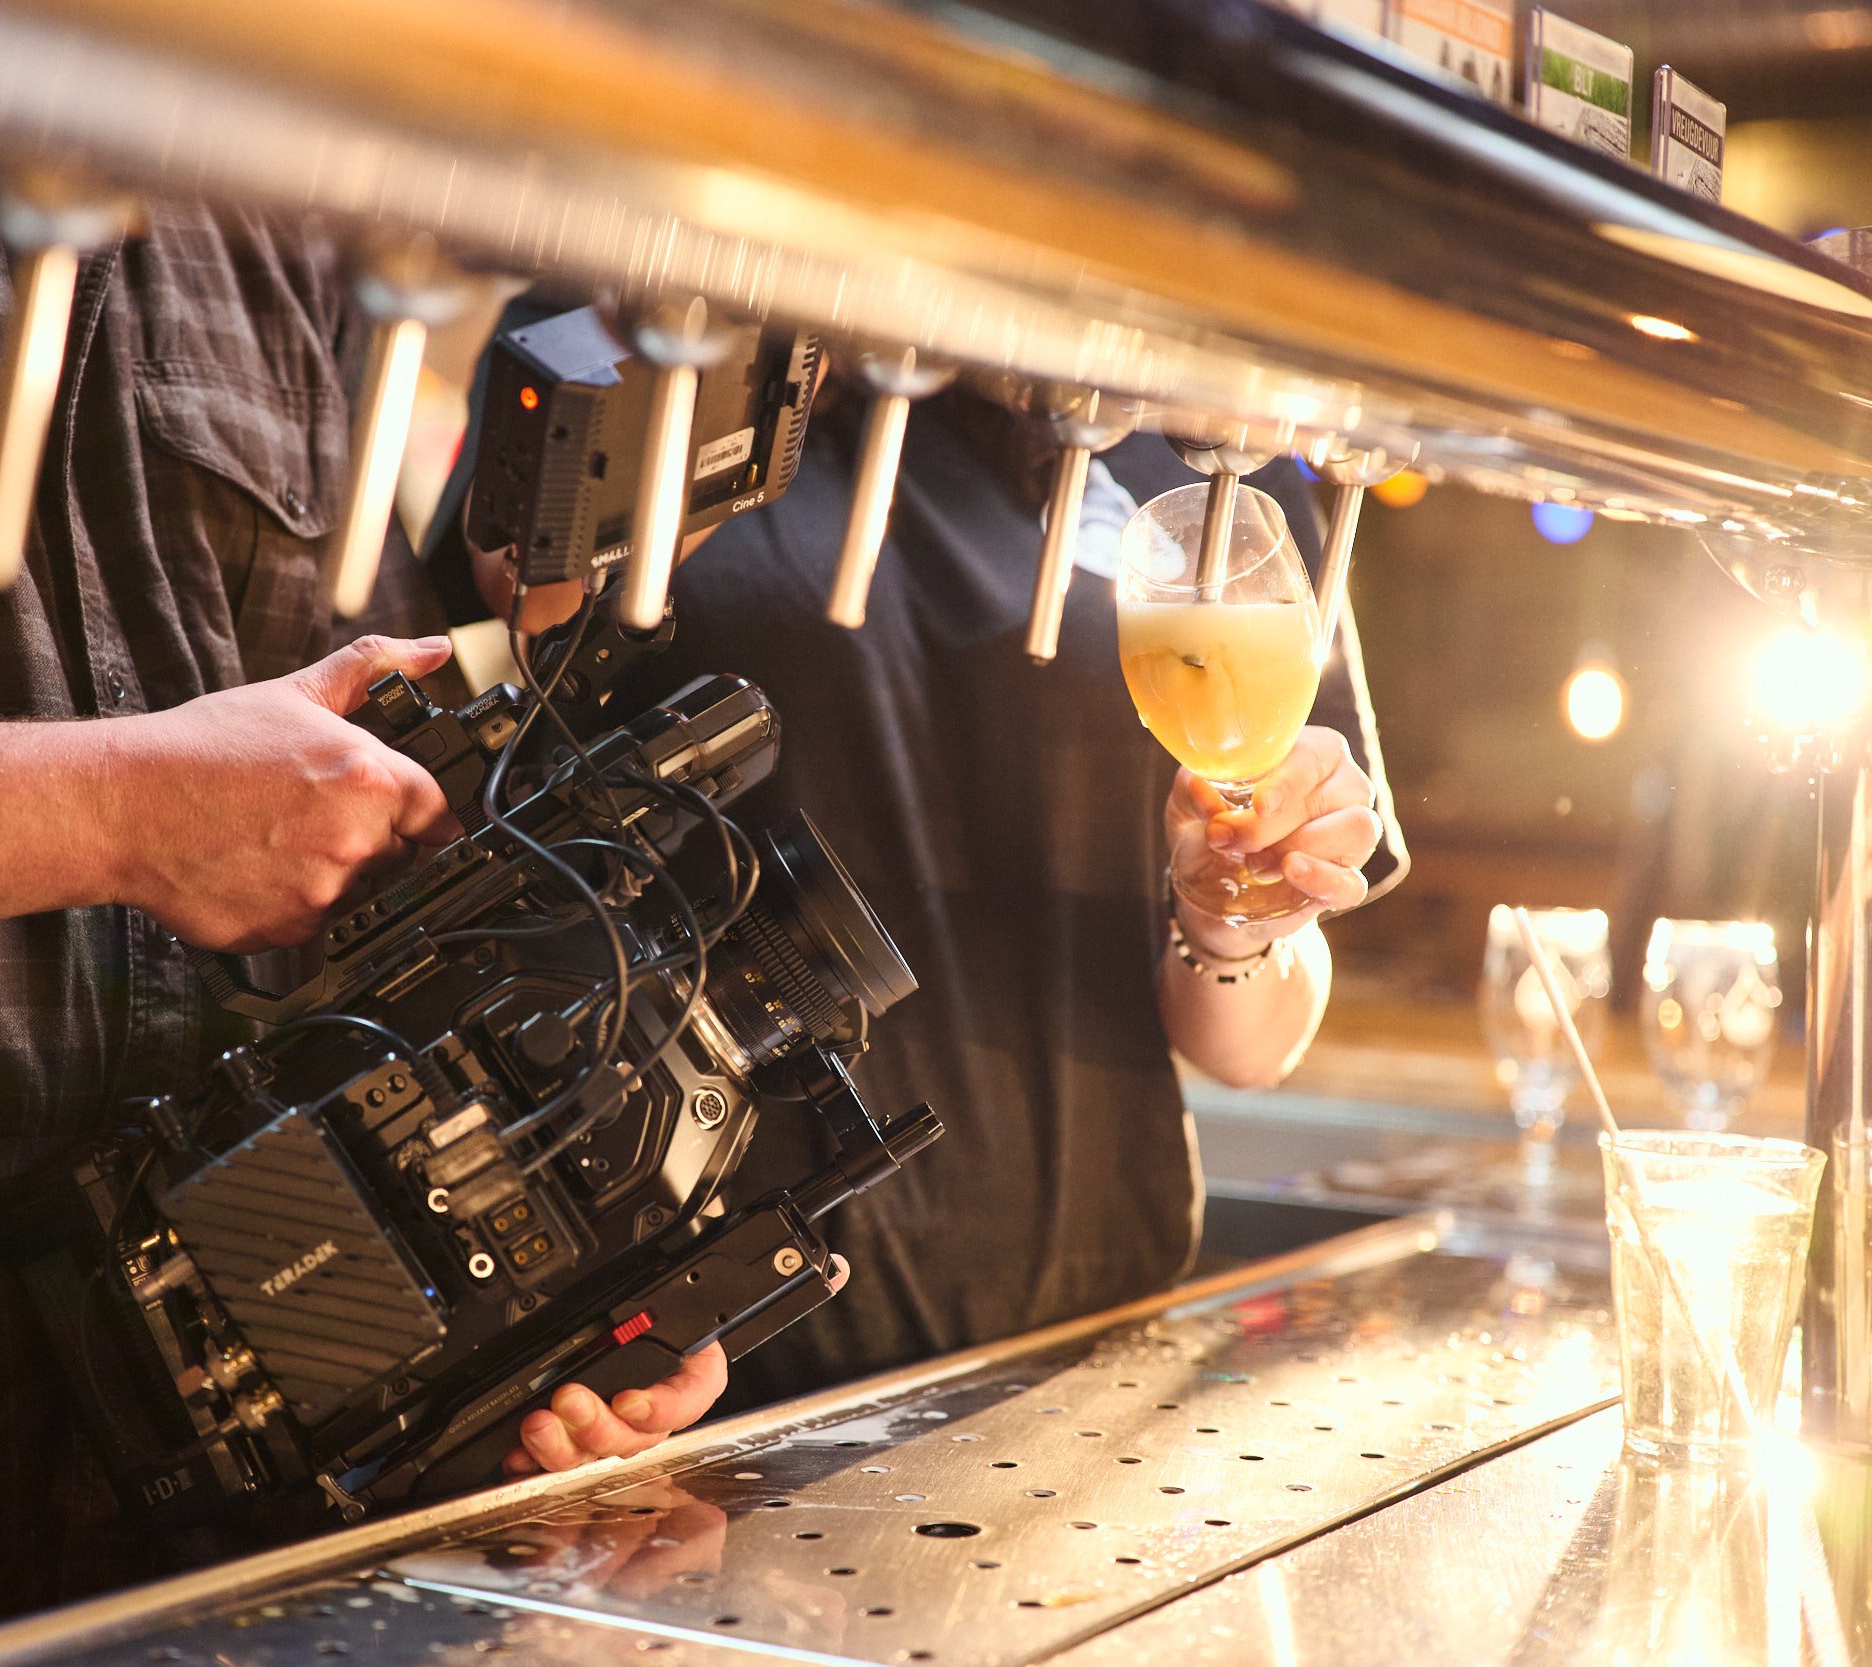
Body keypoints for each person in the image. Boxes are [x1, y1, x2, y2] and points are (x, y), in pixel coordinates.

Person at [0, 118, 715, 1666]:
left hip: (248, 1542)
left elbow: (359, 817)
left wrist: (548, 1294)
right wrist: (120, 810)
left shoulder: (254, 211)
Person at [432, 348, 1382, 1445]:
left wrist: (1235, 916)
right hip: (709, 1361)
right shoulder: (670, 350)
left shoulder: (1202, 433)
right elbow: (523, 604)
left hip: (1095, 1344)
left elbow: (1249, 1044)